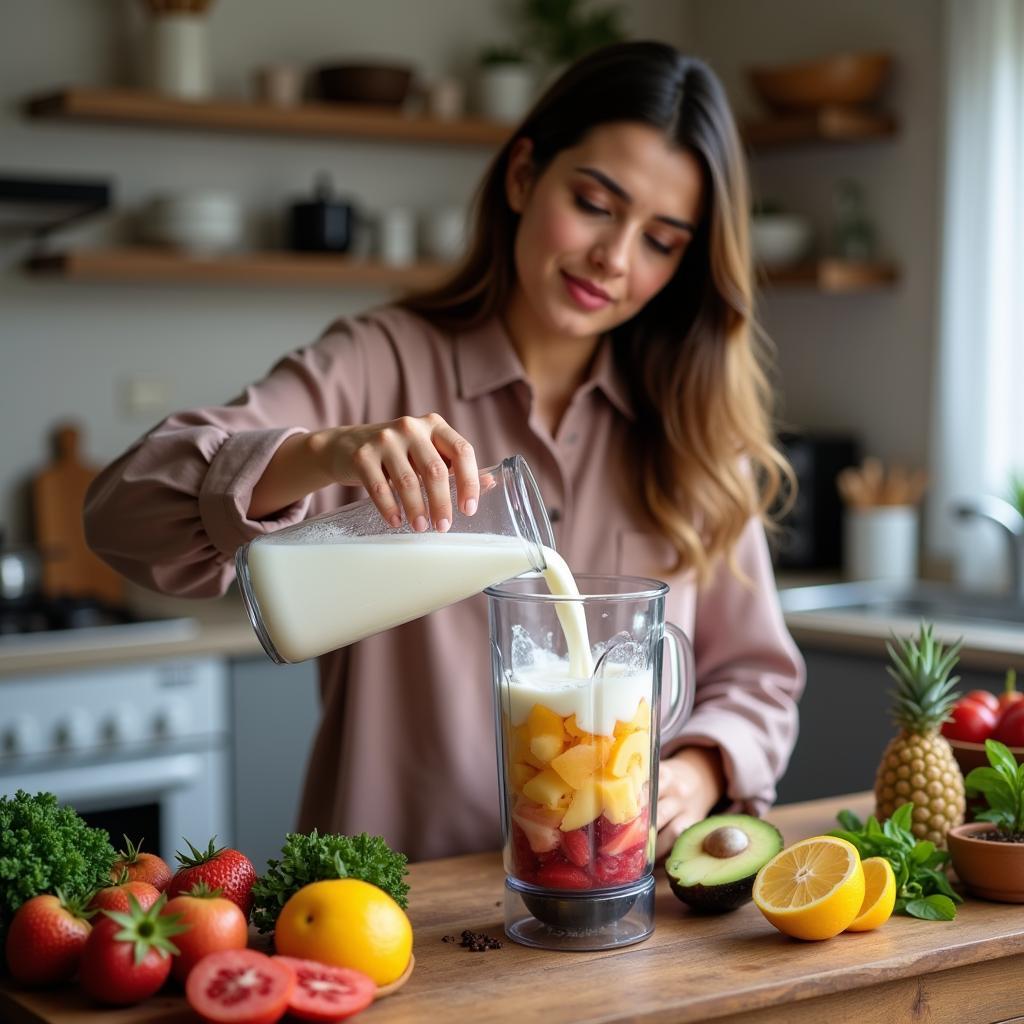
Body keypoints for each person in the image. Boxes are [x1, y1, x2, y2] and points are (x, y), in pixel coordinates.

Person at [85, 40, 805, 863]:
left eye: (662, 241)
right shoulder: (378, 363)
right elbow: (122, 515)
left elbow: (757, 680)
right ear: (524, 176)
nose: (616, 258)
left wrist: (702, 771)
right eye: (597, 203)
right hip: (380, 912)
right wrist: (324, 452)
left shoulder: (696, 434)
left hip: (608, 908)